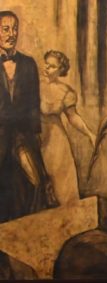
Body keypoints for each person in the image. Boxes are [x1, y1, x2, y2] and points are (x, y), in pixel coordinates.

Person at [0, 11, 56, 223]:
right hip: (0, 133)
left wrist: (36, 131)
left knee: (35, 180)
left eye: (15, 29)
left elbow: (33, 101)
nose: (11, 33)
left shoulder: (28, 64)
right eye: (6, 29)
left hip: (23, 134)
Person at [39, 49, 95, 206]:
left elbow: (73, 117)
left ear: (60, 70)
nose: (46, 68)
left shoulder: (65, 92)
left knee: (62, 179)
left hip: (55, 138)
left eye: (51, 66)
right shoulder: (33, 83)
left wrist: (90, 134)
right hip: (35, 134)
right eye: (46, 64)